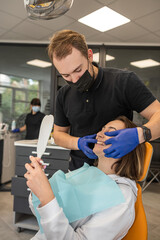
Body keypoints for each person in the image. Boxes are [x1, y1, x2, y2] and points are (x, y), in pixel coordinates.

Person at [48, 29, 160, 171]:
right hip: (78, 173)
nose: (75, 80)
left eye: (78, 70)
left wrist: (139, 134)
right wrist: (78, 142)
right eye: (66, 75)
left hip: (117, 174)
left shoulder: (123, 82)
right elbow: (58, 135)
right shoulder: (63, 95)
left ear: (89, 56)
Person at [24, 116, 146, 240]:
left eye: (111, 131)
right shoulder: (85, 174)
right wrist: (38, 189)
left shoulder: (122, 197)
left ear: (129, 146)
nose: (99, 134)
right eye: (102, 129)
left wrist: (46, 197)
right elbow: (40, 214)